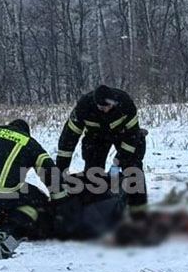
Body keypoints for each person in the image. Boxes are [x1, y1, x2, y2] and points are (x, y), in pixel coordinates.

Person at [0, 119, 67, 239]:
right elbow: (50, 171)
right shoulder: (27, 141)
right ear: (26, 132)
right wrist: (59, 203)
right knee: (37, 199)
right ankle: (9, 230)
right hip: (5, 193)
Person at [56, 85, 148, 216]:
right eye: (101, 107)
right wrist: (61, 170)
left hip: (123, 135)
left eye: (108, 107)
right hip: (96, 137)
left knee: (133, 167)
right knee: (93, 172)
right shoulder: (83, 107)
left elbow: (132, 137)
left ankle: (138, 209)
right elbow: (68, 140)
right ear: (95, 104)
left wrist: (118, 161)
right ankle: (97, 207)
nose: (105, 110)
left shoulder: (125, 103)